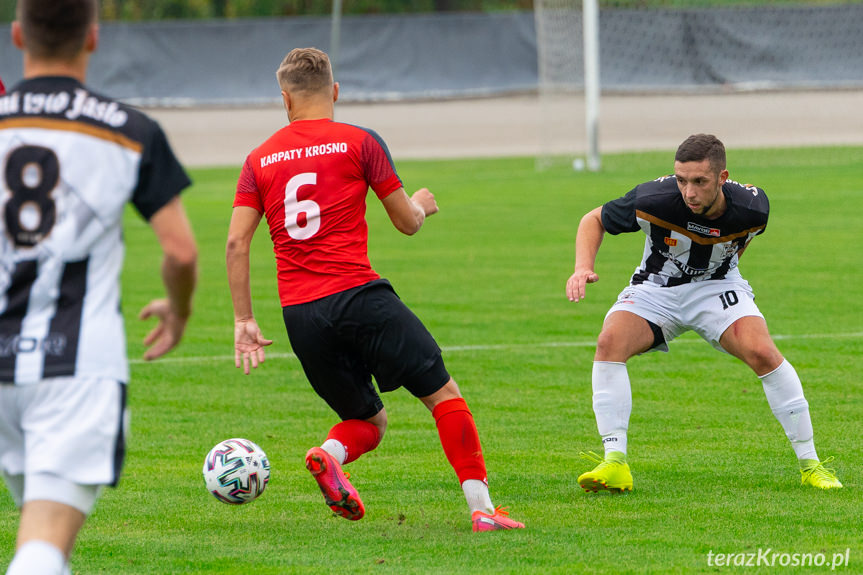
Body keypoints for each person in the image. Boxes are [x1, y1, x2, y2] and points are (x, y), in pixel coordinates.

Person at [226, 47, 524, 532]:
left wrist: (243, 321)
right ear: (336, 91)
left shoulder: (258, 159)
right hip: (360, 297)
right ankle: (483, 510)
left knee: (369, 420)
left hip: (300, 314)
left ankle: (328, 454)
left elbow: (237, 241)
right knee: (444, 396)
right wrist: (422, 204)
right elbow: (406, 223)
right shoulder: (360, 142)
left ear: (284, 99)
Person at [0, 1, 198, 573]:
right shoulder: (129, 131)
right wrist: (178, 310)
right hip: (74, 363)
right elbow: (181, 251)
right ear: (93, 37)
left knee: (37, 540)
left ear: (17, 35)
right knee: (41, 543)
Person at [565, 133, 841, 493]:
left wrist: (721, 275)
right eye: (681, 180)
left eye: (699, 182)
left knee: (763, 353)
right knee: (609, 343)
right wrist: (581, 267)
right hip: (656, 287)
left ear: (722, 178)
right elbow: (593, 219)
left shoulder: (754, 208)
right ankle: (614, 462)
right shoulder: (654, 199)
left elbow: (739, 241)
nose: (689, 192)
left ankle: (811, 465)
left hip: (716, 287)